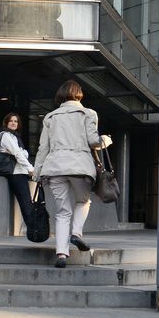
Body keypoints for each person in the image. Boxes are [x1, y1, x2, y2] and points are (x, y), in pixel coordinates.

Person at [34, 79, 103, 267]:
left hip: (54, 167)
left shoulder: (49, 117)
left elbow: (43, 148)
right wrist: (105, 140)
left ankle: (62, 254)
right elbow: (93, 141)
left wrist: (37, 173)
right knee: (83, 201)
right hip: (80, 166)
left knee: (62, 212)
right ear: (79, 94)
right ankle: (76, 233)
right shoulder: (88, 113)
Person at [0, 111, 37, 240]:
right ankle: (33, 231)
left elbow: (23, 153)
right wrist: (30, 168)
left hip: (18, 171)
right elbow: (18, 154)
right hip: (15, 172)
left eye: (16, 121)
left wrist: (23, 154)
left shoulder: (14, 136)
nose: (13, 123)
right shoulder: (6, 135)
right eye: (11, 121)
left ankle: (32, 229)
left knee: (27, 201)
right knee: (25, 202)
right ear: (6, 122)